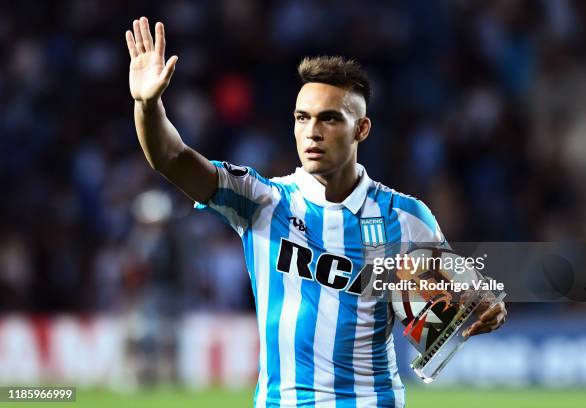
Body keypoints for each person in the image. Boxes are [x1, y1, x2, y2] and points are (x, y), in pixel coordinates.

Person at [125, 16, 507, 407]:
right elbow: (171, 157)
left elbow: (453, 308)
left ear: (361, 129)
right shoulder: (262, 201)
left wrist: (482, 307)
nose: (312, 131)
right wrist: (147, 105)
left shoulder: (406, 218)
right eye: (302, 118)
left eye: (329, 118)